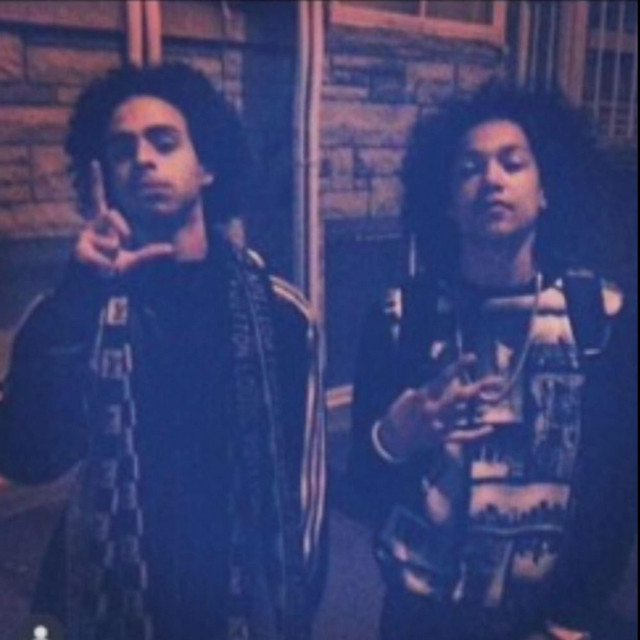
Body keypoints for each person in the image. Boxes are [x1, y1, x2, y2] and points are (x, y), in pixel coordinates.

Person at [0, 63, 327, 640]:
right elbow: (27, 457)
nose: (143, 159)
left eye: (164, 142)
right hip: (104, 596)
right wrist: (79, 295)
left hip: (233, 601)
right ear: (104, 174)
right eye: (123, 149)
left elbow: (304, 495)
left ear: (207, 167)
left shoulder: (279, 313)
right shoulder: (79, 305)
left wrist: (290, 616)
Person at [349, 82, 637, 640]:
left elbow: (618, 484)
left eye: (513, 162)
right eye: (469, 169)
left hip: (544, 621)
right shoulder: (401, 316)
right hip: (420, 616)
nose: (492, 180)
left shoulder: (598, 316)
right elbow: (364, 480)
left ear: (546, 190)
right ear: (447, 203)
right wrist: (393, 438)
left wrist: (577, 612)